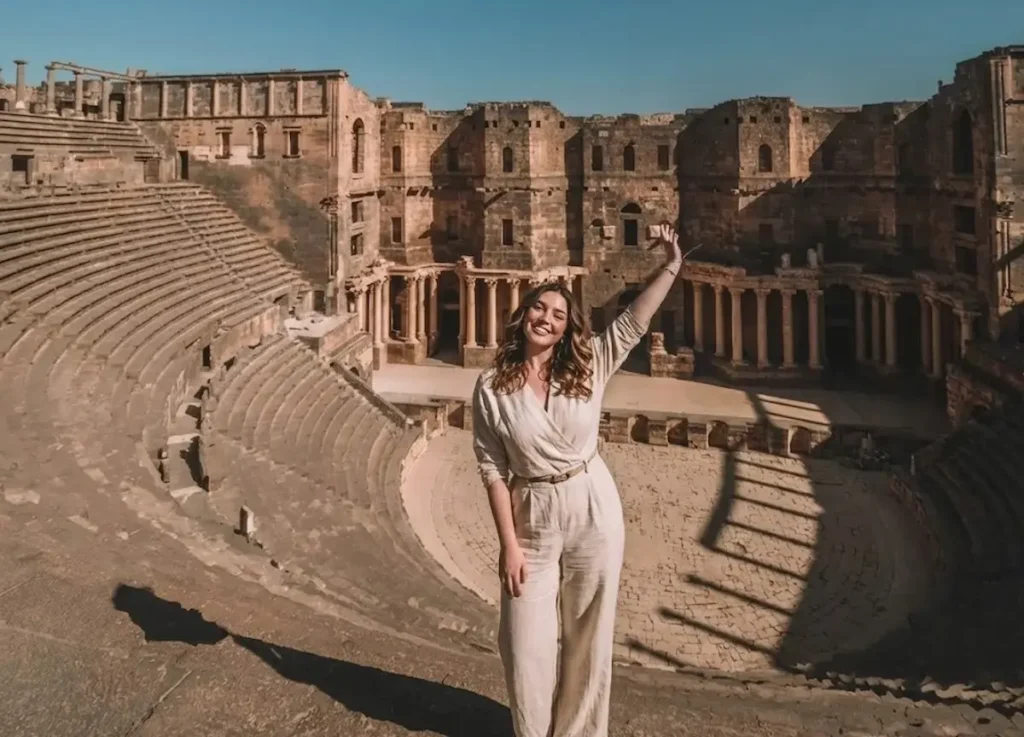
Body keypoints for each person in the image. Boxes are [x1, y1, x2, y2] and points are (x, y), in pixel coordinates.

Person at [471, 222, 685, 737]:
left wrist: (673, 264)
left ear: (569, 329)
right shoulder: (490, 387)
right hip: (532, 515)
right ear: (523, 316)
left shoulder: (589, 365)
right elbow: (492, 469)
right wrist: (509, 546)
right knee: (524, 647)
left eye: (559, 314)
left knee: (590, 637)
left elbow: (635, 320)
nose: (547, 318)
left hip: (591, 503)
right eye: (540, 308)